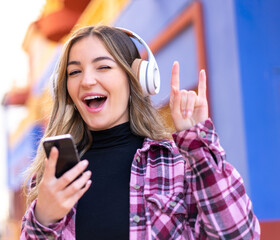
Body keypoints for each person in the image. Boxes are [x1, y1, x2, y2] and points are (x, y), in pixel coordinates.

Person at [20, 25, 260, 239]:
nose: (87, 81)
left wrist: (197, 145)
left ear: (136, 78)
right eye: (74, 72)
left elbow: (240, 235)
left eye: (103, 66)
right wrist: (43, 220)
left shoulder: (177, 164)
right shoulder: (55, 174)